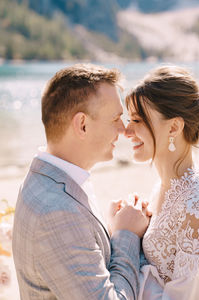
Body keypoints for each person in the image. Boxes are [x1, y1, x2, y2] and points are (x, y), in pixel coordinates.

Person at [12, 63, 150, 300]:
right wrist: (125, 235)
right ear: (82, 125)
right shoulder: (56, 211)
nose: (123, 130)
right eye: (116, 118)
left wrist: (108, 231)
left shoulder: (53, 178)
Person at [125, 65, 199, 300]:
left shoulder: (195, 206)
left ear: (174, 127)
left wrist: (124, 237)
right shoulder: (161, 187)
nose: (126, 131)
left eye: (137, 120)